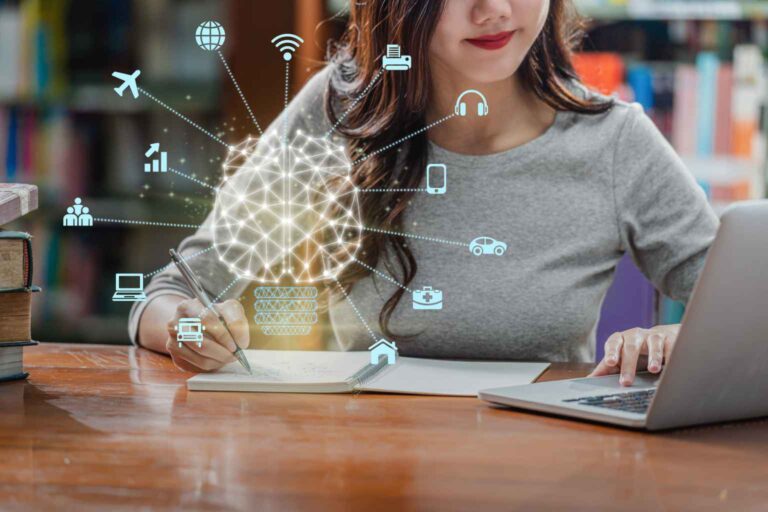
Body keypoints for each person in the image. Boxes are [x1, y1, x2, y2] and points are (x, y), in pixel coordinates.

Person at [129, 0, 718, 386]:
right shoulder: (339, 115)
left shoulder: (615, 140)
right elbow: (171, 292)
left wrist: (685, 340)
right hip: (369, 471)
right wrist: (184, 328)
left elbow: (750, 314)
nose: (494, 10)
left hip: (545, 473)